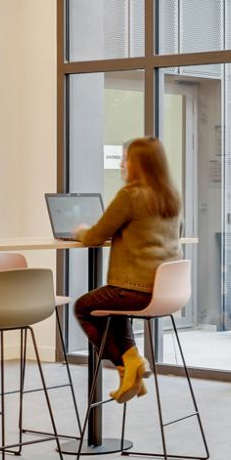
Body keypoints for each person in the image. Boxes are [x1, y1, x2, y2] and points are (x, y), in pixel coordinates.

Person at [73, 137, 182, 403]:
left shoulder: (130, 196)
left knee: (83, 308)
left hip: (136, 290)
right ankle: (133, 366)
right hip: (167, 290)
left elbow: (95, 236)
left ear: (139, 164)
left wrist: (80, 231)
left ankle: (126, 366)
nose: (122, 164)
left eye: (126, 159)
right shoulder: (171, 195)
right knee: (113, 309)